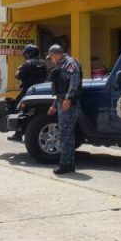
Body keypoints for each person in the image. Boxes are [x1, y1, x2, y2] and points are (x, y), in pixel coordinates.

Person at [46, 44, 82, 175]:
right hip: (63, 102)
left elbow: (74, 81)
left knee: (64, 134)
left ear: (55, 54)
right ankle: (69, 164)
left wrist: (69, 98)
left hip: (69, 104)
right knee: (68, 135)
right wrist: (55, 105)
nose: (51, 59)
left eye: (51, 57)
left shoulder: (69, 63)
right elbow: (61, 87)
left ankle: (64, 165)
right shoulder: (62, 65)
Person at [8, 44, 48, 141]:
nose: (25, 55)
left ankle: (18, 134)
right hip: (40, 91)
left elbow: (18, 76)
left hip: (28, 91)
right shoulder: (43, 63)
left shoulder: (28, 63)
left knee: (19, 110)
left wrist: (18, 69)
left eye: (26, 53)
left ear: (30, 53)